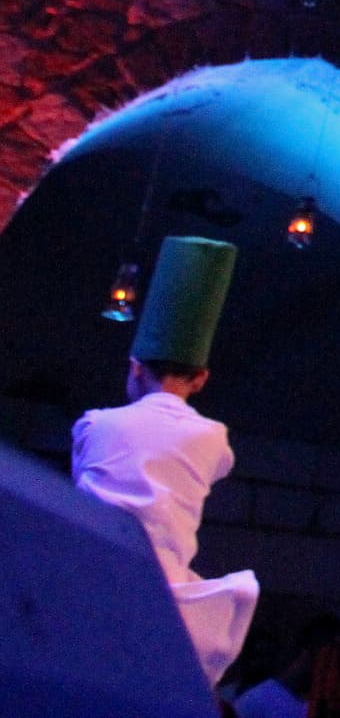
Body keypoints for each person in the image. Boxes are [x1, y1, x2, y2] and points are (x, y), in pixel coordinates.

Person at [71, 235, 261, 689]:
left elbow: (79, 486)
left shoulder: (95, 423)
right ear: (202, 378)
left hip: (85, 574)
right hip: (163, 595)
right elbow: (218, 466)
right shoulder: (213, 437)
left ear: (135, 368)